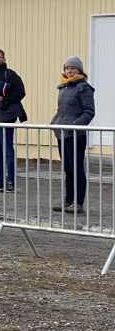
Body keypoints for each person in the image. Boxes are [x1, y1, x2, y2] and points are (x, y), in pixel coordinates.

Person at [50, 56, 95, 214]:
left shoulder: (84, 88)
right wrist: (54, 124)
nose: (69, 71)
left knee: (76, 168)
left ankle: (78, 203)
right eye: (67, 68)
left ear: (79, 70)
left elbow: (89, 112)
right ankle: (68, 200)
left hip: (76, 135)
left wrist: (74, 127)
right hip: (62, 135)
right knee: (67, 169)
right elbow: (60, 111)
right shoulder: (63, 87)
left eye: (72, 68)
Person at [0, 48, 26, 192]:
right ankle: (0, 180)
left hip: (6, 117)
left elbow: (21, 92)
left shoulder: (10, 75)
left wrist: (3, 99)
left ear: (4, 59)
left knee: (7, 149)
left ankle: (10, 182)